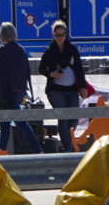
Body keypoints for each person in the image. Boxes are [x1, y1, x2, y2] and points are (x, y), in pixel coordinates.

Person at [38, 20, 89, 152]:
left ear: (66, 34)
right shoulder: (49, 51)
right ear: (53, 35)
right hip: (55, 90)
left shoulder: (72, 49)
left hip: (72, 89)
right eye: (57, 35)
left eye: (62, 34)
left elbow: (79, 69)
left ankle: (68, 141)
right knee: (63, 117)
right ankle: (67, 147)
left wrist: (83, 87)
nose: (60, 37)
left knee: (74, 118)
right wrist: (52, 74)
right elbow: (41, 69)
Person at [0, 22, 42, 154]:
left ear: (1, 35)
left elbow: (1, 76)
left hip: (8, 92)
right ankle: (0, 149)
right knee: (5, 122)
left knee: (19, 122)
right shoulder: (21, 49)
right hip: (20, 90)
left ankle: (37, 149)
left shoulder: (2, 51)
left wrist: (2, 96)